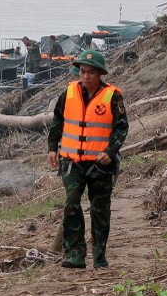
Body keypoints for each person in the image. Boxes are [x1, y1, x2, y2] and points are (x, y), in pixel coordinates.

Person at [47, 50, 129, 269]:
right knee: (71, 203)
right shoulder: (69, 93)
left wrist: (110, 152)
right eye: (82, 72)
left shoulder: (113, 96)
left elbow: (121, 128)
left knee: (99, 208)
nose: (86, 76)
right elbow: (57, 120)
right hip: (72, 161)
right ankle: (75, 254)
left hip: (100, 164)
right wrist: (52, 147)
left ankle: (99, 256)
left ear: (100, 73)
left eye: (90, 72)